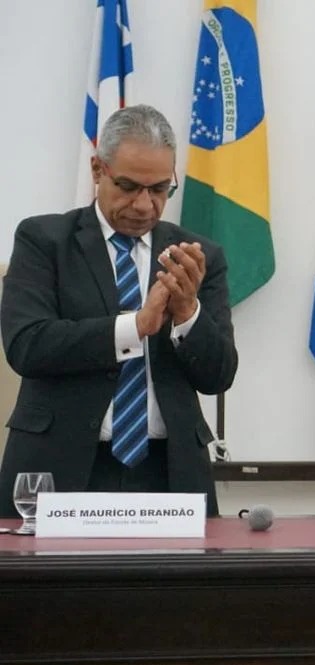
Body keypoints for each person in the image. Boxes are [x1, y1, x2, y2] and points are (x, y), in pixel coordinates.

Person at [0, 104, 237, 517]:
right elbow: (27, 346)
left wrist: (188, 315)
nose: (144, 205)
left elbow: (218, 376)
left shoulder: (197, 258)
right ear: (97, 170)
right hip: (60, 468)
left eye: (160, 189)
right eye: (128, 186)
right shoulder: (44, 240)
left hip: (170, 475)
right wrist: (135, 327)